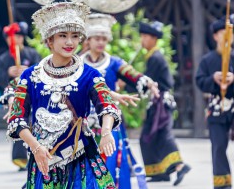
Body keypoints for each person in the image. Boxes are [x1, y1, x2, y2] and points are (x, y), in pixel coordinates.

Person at [0, 0, 122, 188]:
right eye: (63, 36)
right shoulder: (31, 76)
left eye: (75, 36)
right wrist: (36, 147)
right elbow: (17, 119)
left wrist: (106, 132)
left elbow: (106, 106)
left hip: (81, 156)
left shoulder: (90, 74)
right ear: (50, 40)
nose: (69, 42)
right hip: (43, 159)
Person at [81, 13, 159, 189]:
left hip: (110, 119)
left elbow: (134, 75)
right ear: (89, 40)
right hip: (85, 122)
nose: (100, 42)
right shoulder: (78, 64)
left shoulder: (114, 62)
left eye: (104, 39)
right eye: (97, 38)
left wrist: (148, 82)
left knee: (113, 160)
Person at [138, 21, 190, 186]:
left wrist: (128, 83)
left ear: (154, 39)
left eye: (145, 37)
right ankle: (159, 172)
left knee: (160, 135)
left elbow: (146, 80)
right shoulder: (153, 56)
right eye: (142, 36)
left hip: (161, 103)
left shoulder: (155, 58)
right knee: (150, 136)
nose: (142, 40)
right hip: (157, 103)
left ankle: (180, 165)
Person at [0, 21, 41, 171]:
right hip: (14, 96)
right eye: (12, 37)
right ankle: (20, 157)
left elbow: (40, 70)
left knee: (35, 123)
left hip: (33, 94)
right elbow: (0, 79)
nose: (16, 40)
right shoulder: (3, 58)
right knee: (18, 122)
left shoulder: (32, 54)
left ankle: (38, 153)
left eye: (19, 36)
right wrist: (8, 73)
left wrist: (28, 70)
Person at [196, 16, 234, 189]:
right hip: (217, 108)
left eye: (230, 33)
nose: (227, 37)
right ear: (215, 36)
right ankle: (222, 183)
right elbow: (199, 81)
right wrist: (213, 79)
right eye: (223, 33)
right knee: (218, 145)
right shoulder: (207, 60)